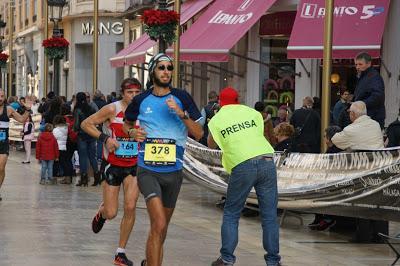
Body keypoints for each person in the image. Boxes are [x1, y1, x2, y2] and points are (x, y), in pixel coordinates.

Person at [123, 53, 203, 266]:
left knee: (161, 228)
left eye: (169, 68)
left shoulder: (182, 97)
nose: (166, 72)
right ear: (153, 71)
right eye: (161, 68)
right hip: (147, 170)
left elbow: (199, 133)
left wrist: (181, 114)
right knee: (158, 222)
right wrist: (132, 134)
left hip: (174, 172)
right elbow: (127, 124)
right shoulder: (141, 100)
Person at [207, 87, 280, 266]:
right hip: (266, 159)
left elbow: (211, 144)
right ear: (238, 99)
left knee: (232, 213)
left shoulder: (216, 120)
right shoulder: (253, 113)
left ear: (220, 103)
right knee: (269, 215)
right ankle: (273, 261)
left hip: (242, 163)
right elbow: (256, 134)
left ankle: (226, 259)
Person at [81, 78, 142, 266]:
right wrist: (105, 138)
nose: (133, 96)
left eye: (137, 92)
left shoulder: (144, 110)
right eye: (130, 92)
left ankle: (120, 253)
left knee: (131, 207)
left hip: (134, 166)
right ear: (122, 93)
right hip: (113, 165)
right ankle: (102, 212)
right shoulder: (112, 109)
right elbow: (85, 124)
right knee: (112, 212)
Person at [0, 89, 32, 201]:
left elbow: (22, 119)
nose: (0, 98)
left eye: (2, 96)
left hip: (3, 143)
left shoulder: (8, 109)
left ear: (4, 97)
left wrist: (28, 109)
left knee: (1, 168)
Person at [73, 92, 100, 187]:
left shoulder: (77, 110)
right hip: (92, 135)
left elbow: (76, 125)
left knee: (83, 157)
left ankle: (84, 178)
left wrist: (75, 130)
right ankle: (97, 177)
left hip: (82, 136)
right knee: (93, 157)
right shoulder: (91, 109)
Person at [354, 52, 385, 128]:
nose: (357, 67)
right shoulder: (364, 77)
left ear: (369, 64)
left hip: (372, 118)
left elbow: (378, 96)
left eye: (360, 64)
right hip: (366, 118)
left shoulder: (373, 77)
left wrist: (360, 104)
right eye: (356, 64)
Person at [52, 115, 68, 183]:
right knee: (64, 163)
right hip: (64, 148)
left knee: (55, 163)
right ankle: (66, 176)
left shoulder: (55, 130)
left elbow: (54, 138)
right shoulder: (66, 128)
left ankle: (54, 177)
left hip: (57, 148)